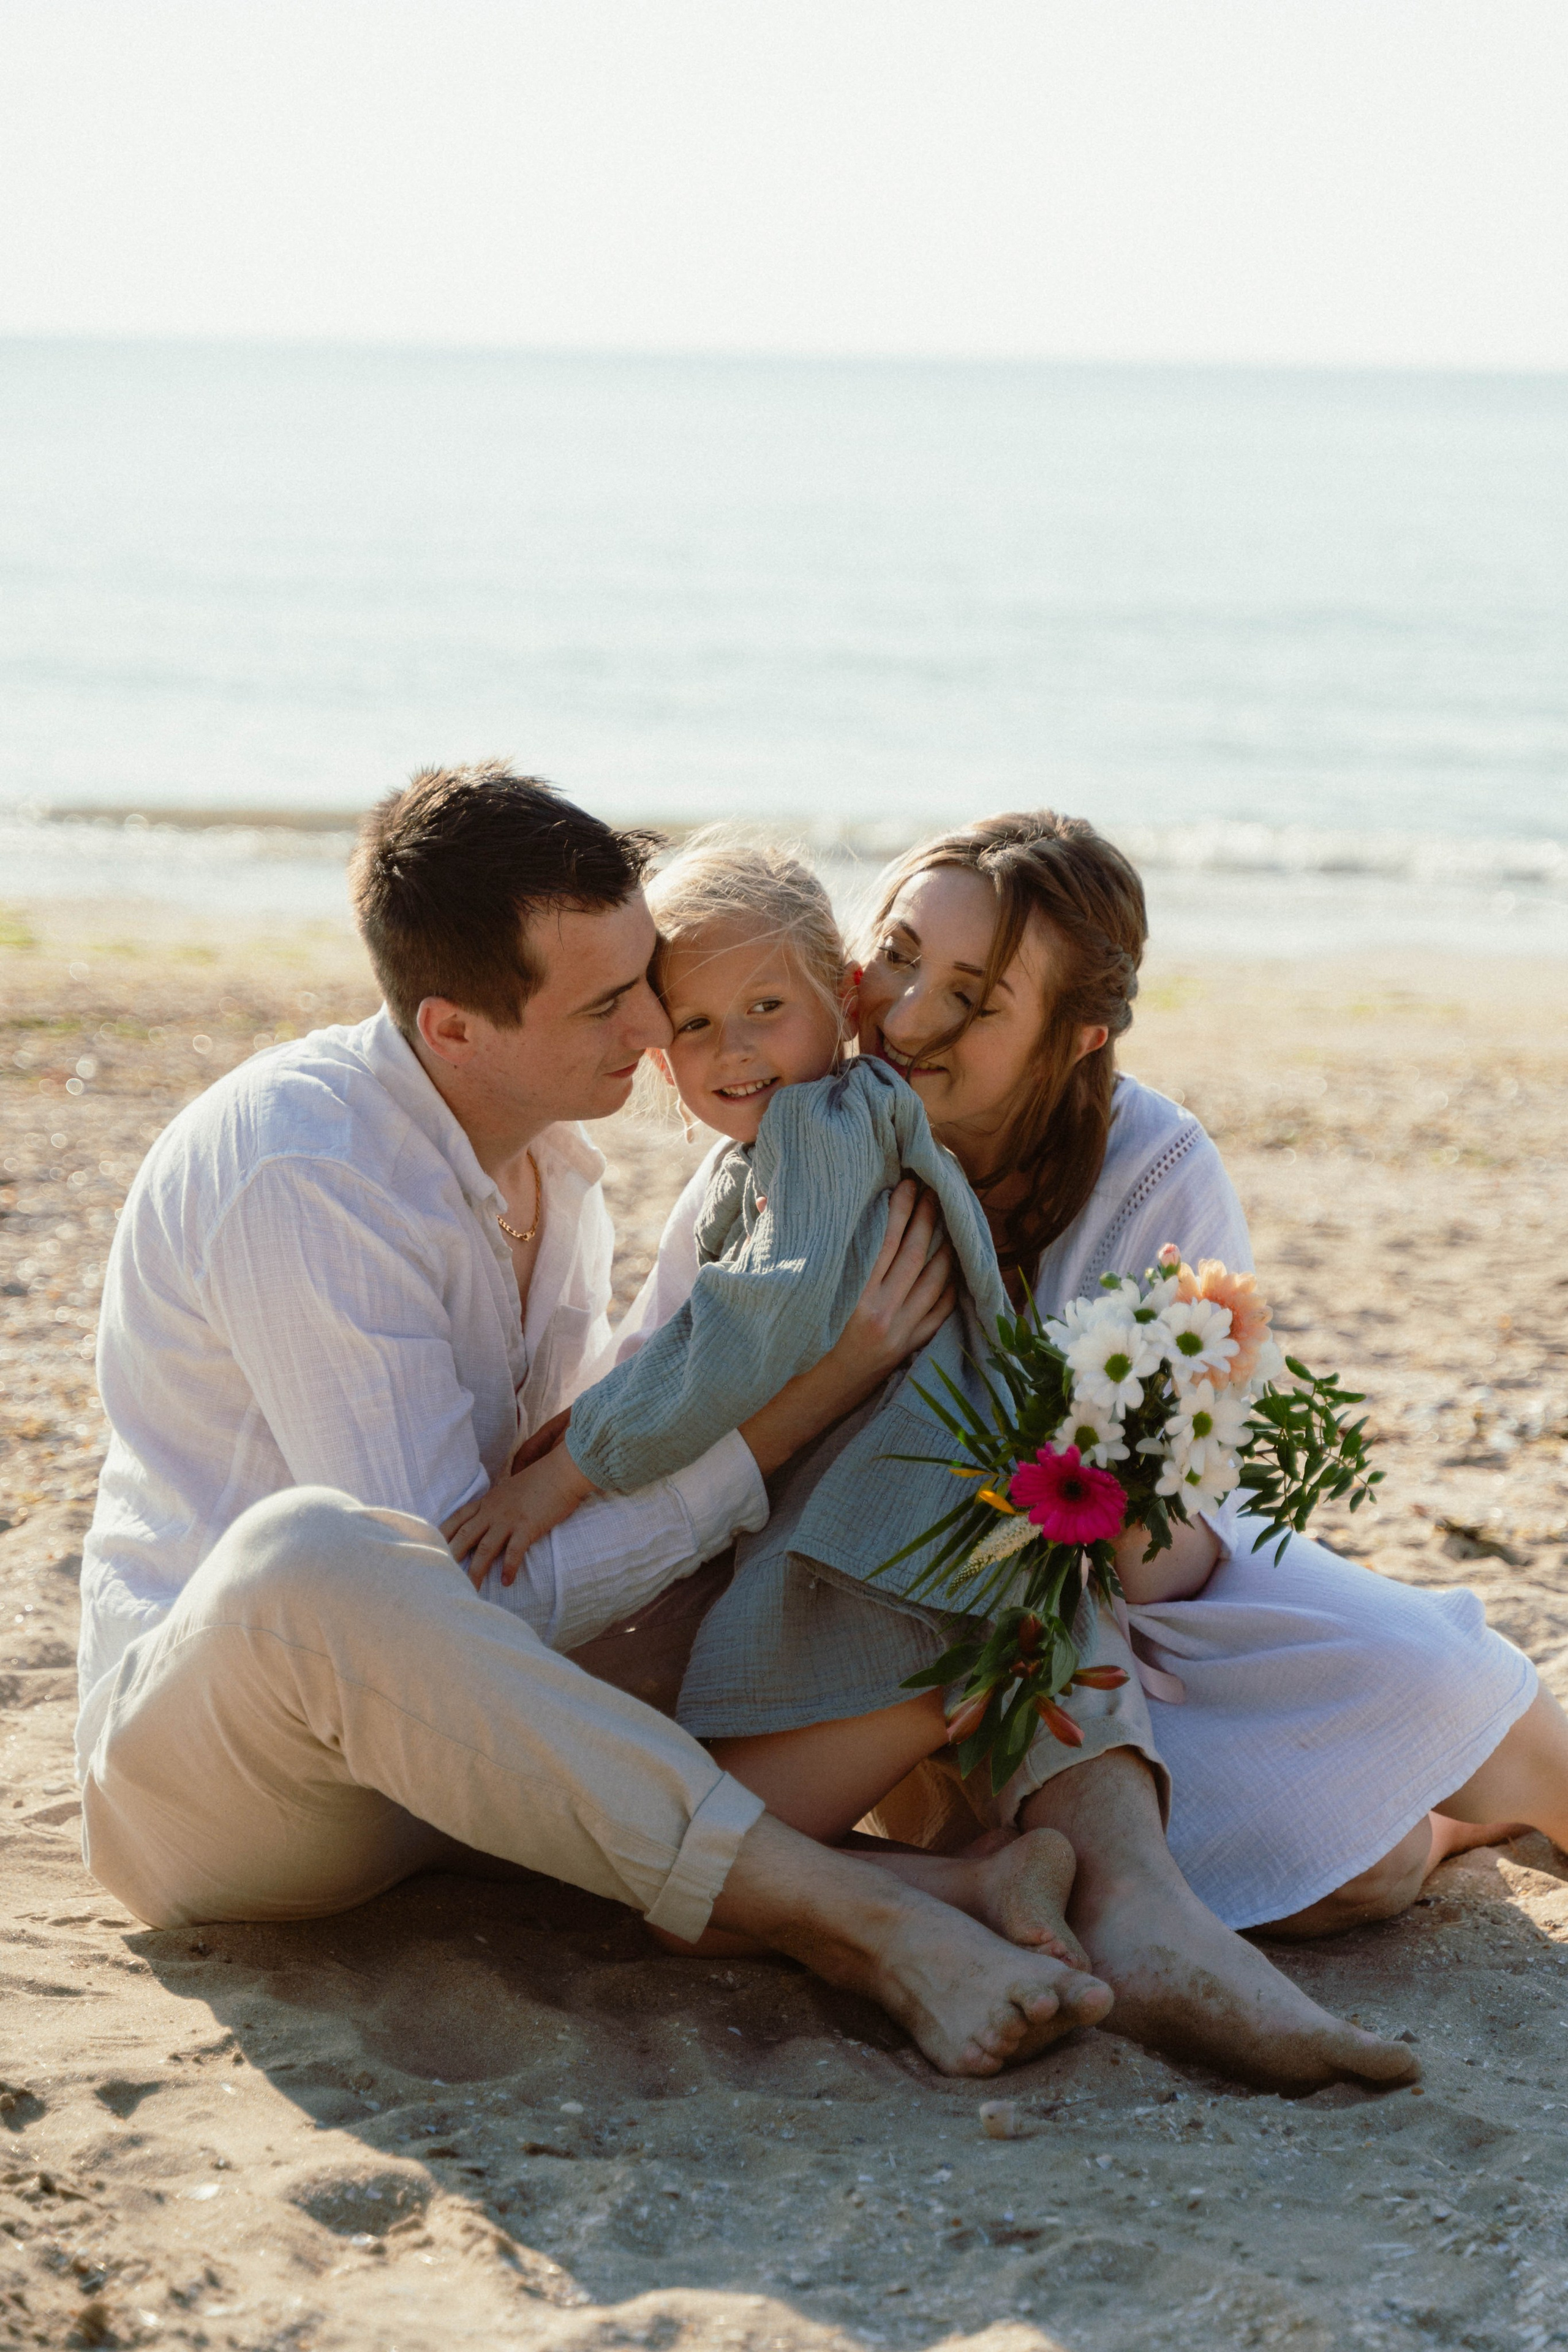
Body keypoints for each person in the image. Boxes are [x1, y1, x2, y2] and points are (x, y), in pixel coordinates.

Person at [72, 764, 1112, 2078]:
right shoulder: (304, 1165)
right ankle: (853, 1914)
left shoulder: (557, 1173)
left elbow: (559, 1531)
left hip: (455, 1779)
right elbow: (457, 1608)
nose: (654, 1030)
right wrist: (780, 1422)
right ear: (454, 1030)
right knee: (319, 1555)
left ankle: (971, 1885)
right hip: (233, 1792)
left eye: (645, 978)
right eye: (614, 1000)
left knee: (797, 1562)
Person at [546, 813, 1562, 2090]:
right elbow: (667, 1405)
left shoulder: (1148, 1169)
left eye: (969, 996)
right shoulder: (784, 1150)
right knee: (1332, 1872)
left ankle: (1467, 1811)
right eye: (896, 956)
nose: (906, 1014)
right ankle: (1400, 1847)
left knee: (1432, 1680)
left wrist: (1075, 1479)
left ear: (1072, 1035)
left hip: (1143, 1602)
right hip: (890, 1636)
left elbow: (1176, 1557)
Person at [445, 833, 1093, 1961]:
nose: (733, 1050)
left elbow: (754, 1333)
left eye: (765, 1009)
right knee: (683, 1853)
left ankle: (979, 1874)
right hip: (877, 1557)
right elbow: (686, 1329)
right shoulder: (786, 1144)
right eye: (695, 1024)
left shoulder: (824, 1135)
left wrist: (568, 1472)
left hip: (905, 1576)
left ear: (841, 1002)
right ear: (658, 1053)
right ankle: (980, 1879)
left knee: (685, 1876)